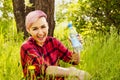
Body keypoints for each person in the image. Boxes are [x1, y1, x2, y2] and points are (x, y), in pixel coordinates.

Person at [20, 10, 90, 80]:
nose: (40, 33)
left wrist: (76, 47)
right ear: (28, 30)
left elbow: (74, 61)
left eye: (43, 27)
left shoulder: (53, 42)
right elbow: (45, 69)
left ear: (47, 26)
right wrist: (74, 71)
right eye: (35, 29)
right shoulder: (26, 47)